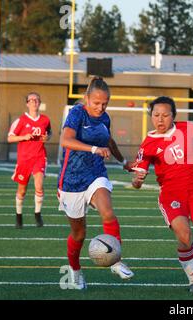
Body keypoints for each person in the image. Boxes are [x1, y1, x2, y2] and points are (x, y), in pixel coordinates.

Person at [131, 96, 193, 293]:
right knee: (184, 234)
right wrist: (137, 181)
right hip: (171, 195)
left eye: (165, 115)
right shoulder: (148, 144)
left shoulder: (188, 129)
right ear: (151, 116)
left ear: (174, 116)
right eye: (156, 115)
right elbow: (137, 179)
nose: (160, 120)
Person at [58, 76, 134, 289]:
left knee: (108, 212)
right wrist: (93, 148)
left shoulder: (105, 117)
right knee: (79, 234)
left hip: (95, 173)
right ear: (86, 99)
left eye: (105, 103)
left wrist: (124, 162)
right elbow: (66, 140)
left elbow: (109, 141)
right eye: (96, 103)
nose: (100, 107)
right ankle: (74, 270)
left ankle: (116, 260)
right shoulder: (77, 114)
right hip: (71, 180)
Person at [8, 92, 51, 229]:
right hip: (24, 159)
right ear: (27, 103)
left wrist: (47, 138)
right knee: (22, 190)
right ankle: (18, 215)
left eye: (36, 100)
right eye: (31, 100)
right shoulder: (20, 120)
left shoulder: (45, 119)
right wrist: (23, 137)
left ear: (39, 102)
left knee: (39, 185)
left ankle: (37, 214)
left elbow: (49, 132)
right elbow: (10, 138)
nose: (33, 102)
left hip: (39, 157)